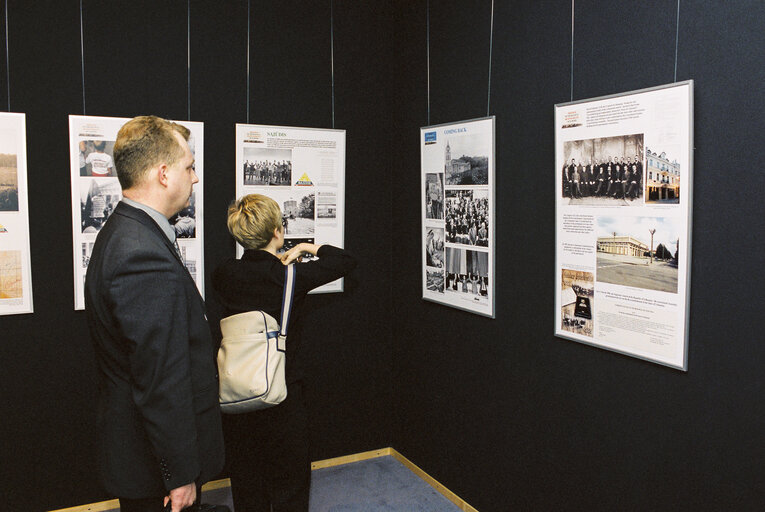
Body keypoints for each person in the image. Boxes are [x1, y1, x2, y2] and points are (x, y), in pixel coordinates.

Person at [85, 116, 225, 512]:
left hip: (144, 452)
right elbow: (160, 374)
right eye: (189, 167)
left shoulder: (125, 230)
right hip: (155, 465)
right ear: (164, 174)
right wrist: (180, 473)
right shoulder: (140, 253)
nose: (194, 178)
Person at [213, 194, 356, 512]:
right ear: (277, 232)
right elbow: (345, 261)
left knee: (247, 475)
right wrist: (305, 248)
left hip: (237, 389)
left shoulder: (224, 274)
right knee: (290, 480)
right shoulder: (291, 276)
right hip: (284, 388)